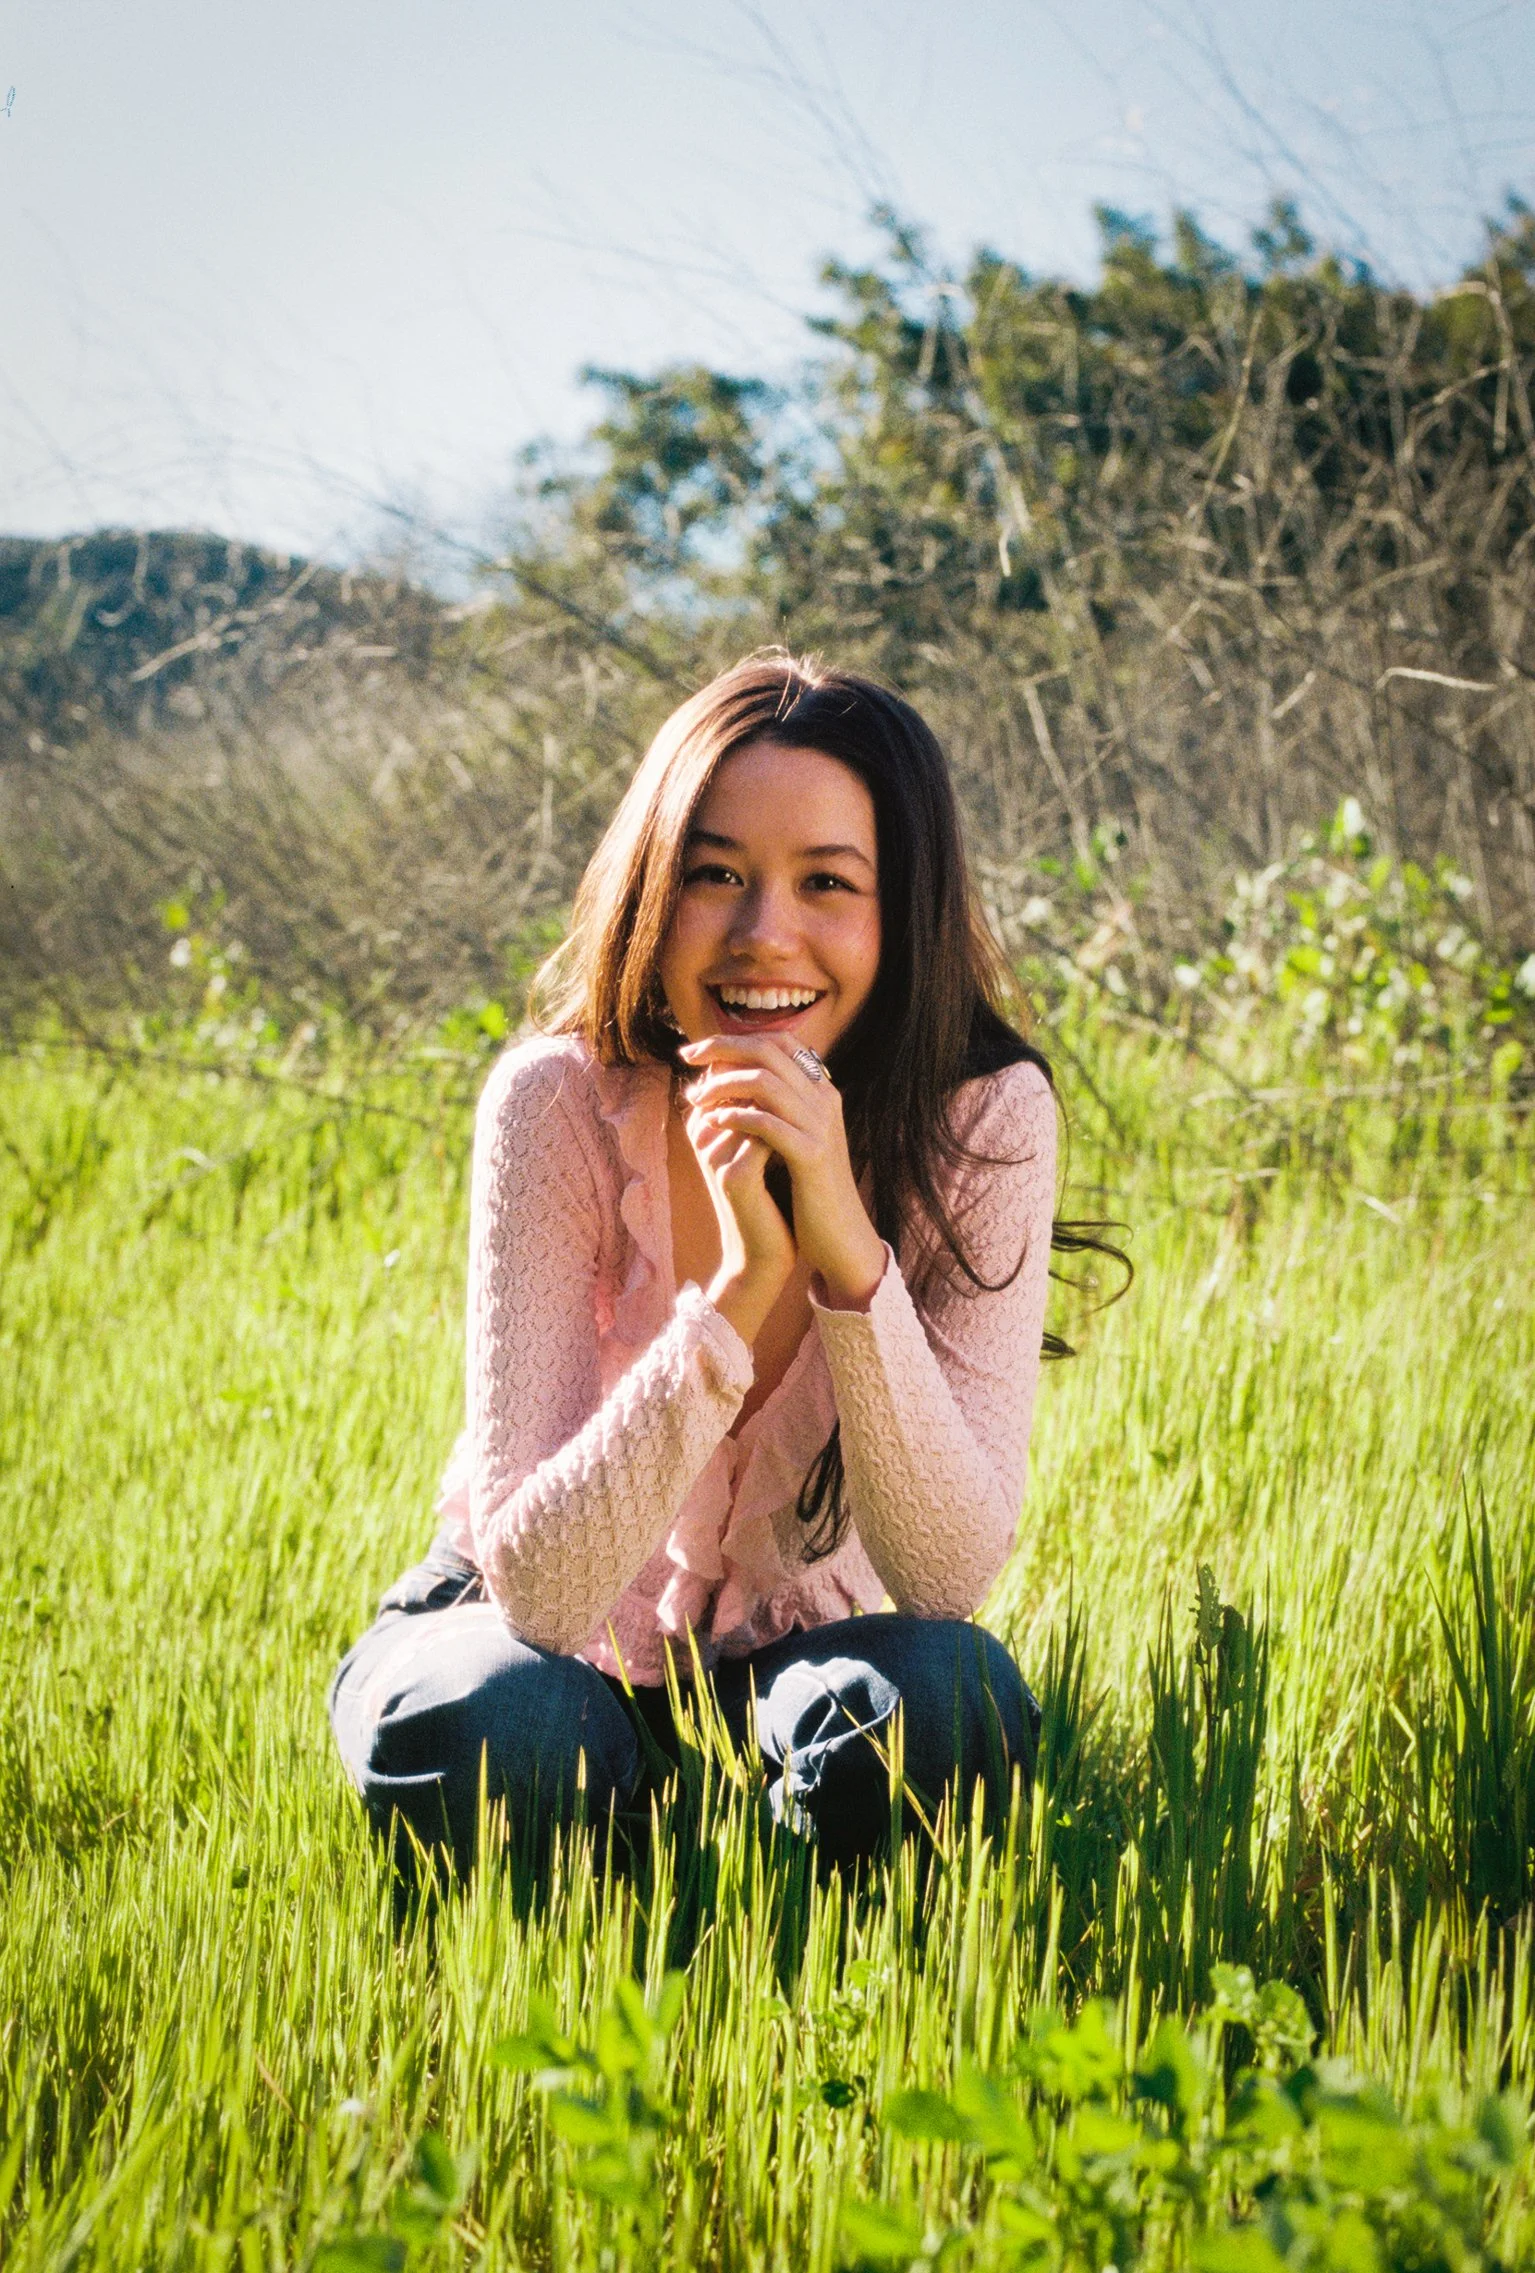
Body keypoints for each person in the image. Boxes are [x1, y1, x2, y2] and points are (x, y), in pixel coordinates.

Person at [330, 653, 1071, 1877]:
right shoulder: (557, 1100)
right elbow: (543, 1596)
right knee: (486, 1727)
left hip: (797, 1648)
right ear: (650, 890)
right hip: (520, 1637)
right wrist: (734, 1289)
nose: (760, 933)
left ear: (904, 912)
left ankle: (743, 1824)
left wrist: (841, 1248)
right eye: (712, 873)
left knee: (952, 1703)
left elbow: (943, 1577)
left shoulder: (983, 1118)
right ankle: (625, 1835)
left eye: (825, 882)